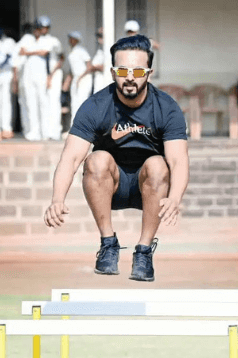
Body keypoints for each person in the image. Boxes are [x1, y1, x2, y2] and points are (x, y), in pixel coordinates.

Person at [43, 35, 189, 282]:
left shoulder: (166, 107)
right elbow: (71, 157)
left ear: (149, 73)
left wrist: (174, 198)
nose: (130, 77)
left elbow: (178, 160)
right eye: (123, 70)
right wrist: (57, 199)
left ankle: (144, 252)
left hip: (151, 187)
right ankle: (108, 244)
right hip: (110, 186)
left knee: (157, 164)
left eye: (138, 71)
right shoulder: (95, 106)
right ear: (112, 73)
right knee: (96, 159)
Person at [19, 20, 51, 141]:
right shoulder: (28, 39)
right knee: (31, 104)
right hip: (29, 75)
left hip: (41, 75)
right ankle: (34, 131)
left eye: (38, 29)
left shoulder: (46, 40)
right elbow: (21, 51)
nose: (36, 31)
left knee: (43, 103)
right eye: (35, 29)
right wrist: (33, 52)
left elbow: (44, 52)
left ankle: (45, 132)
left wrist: (28, 52)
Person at [36, 16, 64, 140]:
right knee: (43, 103)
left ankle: (55, 131)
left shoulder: (54, 41)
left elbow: (61, 58)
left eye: (46, 27)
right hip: (41, 75)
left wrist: (51, 75)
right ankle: (45, 132)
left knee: (54, 102)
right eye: (42, 27)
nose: (44, 29)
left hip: (54, 74)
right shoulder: (35, 41)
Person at [62, 31, 92, 124]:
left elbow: (89, 66)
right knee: (74, 103)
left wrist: (80, 78)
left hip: (84, 78)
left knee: (81, 101)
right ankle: (74, 125)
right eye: (70, 38)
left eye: (73, 39)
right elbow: (72, 69)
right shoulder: (71, 51)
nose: (71, 40)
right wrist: (67, 81)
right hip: (76, 78)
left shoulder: (81, 50)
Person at [11, 23, 35, 138]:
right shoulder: (28, 40)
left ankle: (29, 130)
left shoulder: (25, 41)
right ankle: (29, 130)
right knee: (28, 104)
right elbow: (17, 64)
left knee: (27, 105)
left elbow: (16, 65)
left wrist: (15, 82)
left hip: (25, 79)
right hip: (26, 79)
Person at [0, 27, 17, 140]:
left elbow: (12, 59)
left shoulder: (9, 42)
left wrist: (15, 79)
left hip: (6, 74)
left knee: (5, 102)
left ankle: (6, 128)